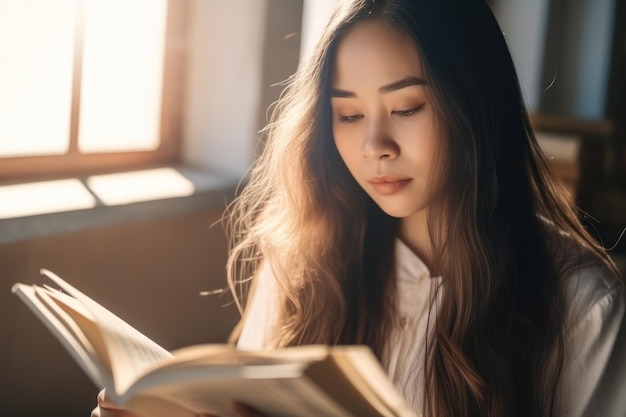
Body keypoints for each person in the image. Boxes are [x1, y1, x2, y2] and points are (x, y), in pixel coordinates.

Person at [93, 0, 626, 416]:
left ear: (476, 107)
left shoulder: (581, 306)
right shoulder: (303, 262)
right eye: (347, 115)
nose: (375, 145)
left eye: (406, 107)